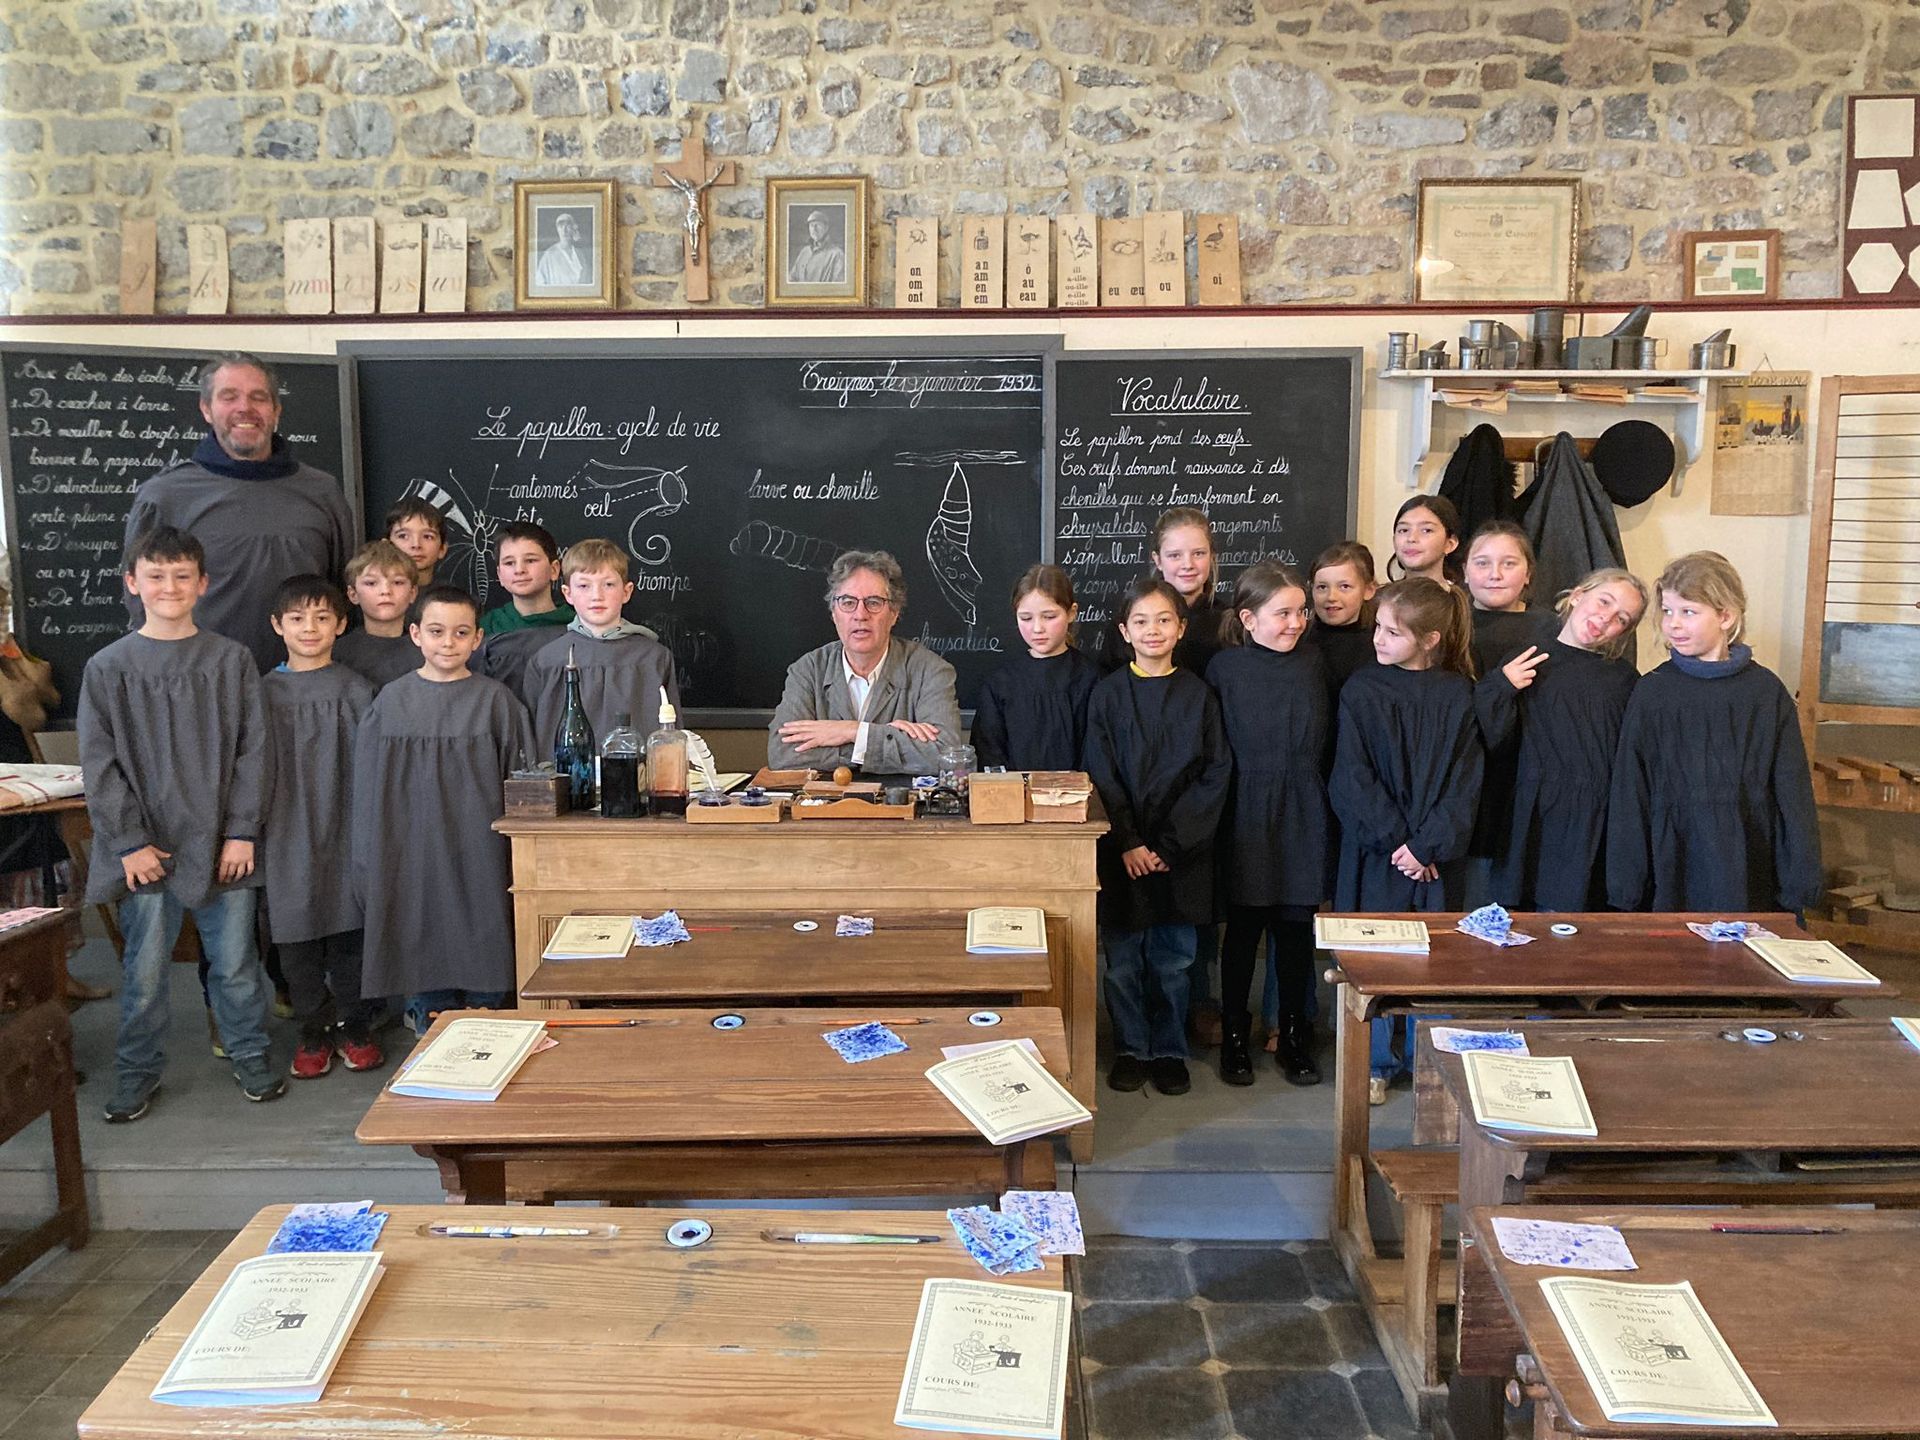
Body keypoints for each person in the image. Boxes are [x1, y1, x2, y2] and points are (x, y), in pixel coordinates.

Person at [79, 526, 283, 1122]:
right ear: (132, 583)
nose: (169, 587)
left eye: (181, 575)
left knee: (236, 965)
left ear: (203, 584)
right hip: (146, 851)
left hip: (222, 845)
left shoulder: (230, 661)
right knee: (144, 973)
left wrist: (242, 831)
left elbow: (254, 751)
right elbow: (99, 763)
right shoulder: (108, 668)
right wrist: (129, 842)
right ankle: (137, 1071)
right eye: (156, 576)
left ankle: (249, 1052)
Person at [354, 585, 535, 1034]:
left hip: (480, 843)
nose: (448, 643)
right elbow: (369, 790)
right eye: (436, 631)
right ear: (416, 634)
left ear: (477, 638)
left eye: (460, 632)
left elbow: (525, 784)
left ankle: (486, 1006)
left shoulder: (497, 702)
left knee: (484, 918)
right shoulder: (391, 703)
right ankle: (426, 1010)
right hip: (410, 844)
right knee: (419, 919)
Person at [1329, 576, 1482, 1105]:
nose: (1378, 639)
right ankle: (1375, 1062)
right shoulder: (1361, 690)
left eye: (1392, 632)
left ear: (1430, 639)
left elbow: (1466, 782)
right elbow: (1351, 776)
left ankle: (1429, 1061)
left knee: (1433, 959)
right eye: (1378, 628)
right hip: (1378, 853)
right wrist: (1401, 844)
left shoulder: (1458, 694)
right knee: (1376, 959)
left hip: (1433, 856)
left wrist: (1427, 845)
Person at [1607, 552, 1822, 914]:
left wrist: (1800, 881)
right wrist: (1626, 884)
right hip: (1671, 862)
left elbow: (1792, 790)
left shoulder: (1765, 692)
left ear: (1726, 616)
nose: (1673, 624)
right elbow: (1631, 791)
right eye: (1668, 611)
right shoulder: (1653, 691)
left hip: (1748, 859)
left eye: (1688, 612)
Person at [1083, 578, 1231, 1099]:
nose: (1153, 630)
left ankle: (1169, 1049)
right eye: (1141, 621)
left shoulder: (1199, 695)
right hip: (1122, 853)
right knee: (1122, 963)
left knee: (1175, 961)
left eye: (1164, 620)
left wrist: (1168, 846)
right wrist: (1128, 841)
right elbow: (1100, 773)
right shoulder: (1107, 695)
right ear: (1124, 631)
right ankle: (1132, 1047)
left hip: (1180, 857)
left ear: (1181, 628)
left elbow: (1214, 774)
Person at [124, 353, 355, 673]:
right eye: (229, 396)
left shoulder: (322, 492)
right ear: (206, 409)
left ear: (276, 410)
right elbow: (142, 602)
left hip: (304, 684)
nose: (245, 407)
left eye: (258, 397)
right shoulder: (166, 496)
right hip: (202, 681)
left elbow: (345, 590)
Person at [1206, 563, 1332, 1087]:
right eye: (1283, 613)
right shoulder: (1224, 669)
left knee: (1296, 932)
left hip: (1303, 807)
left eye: (1301, 612)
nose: (1296, 623)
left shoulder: (1314, 662)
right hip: (1245, 811)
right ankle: (1235, 1037)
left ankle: (1294, 1036)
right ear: (1248, 618)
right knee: (1243, 933)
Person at [260, 574, 382, 1079]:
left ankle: (355, 1027)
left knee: (351, 934)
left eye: (322, 617)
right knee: (296, 938)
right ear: (277, 625)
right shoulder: (262, 693)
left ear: (341, 624)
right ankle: (312, 1031)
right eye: (297, 618)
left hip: (348, 825)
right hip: (285, 830)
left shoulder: (357, 690)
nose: (309, 628)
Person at [1480, 568, 1646, 911]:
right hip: (1529, 815)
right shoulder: (1527, 658)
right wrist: (1501, 687)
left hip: (1589, 822)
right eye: (1604, 602)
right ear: (1578, 595)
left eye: (1621, 618)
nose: (1605, 619)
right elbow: (1492, 741)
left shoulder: (1626, 682)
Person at [767, 549, 961, 774]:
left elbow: (946, 754)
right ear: (834, 613)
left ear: (894, 613)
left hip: (898, 798)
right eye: (848, 602)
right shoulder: (808, 670)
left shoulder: (931, 671)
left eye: (874, 602)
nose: (860, 615)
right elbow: (782, 754)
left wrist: (853, 732)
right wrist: (885, 740)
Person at [1461, 522, 1554, 905]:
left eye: (1509, 563)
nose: (1495, 574)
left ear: (1528, 573)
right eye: (1482, 562)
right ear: (1465, 571)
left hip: (1528, 780)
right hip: (1467, 782)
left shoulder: (1552, 629)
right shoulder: (1450, 623)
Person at [525, 538, 679, 749]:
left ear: (626, 592)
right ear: (568, 594)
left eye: (608, 585)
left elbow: (672, 736)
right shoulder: (547, 660)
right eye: (584, 586)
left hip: (639, 769)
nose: (596, 596)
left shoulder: (654, 658)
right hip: (567, 770)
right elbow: (531, 739)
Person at [971, 565, 1100, 771]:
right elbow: (989, 757)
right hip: (1013, 791)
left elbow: (1098, 756)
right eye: (1026, 618)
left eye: (1049, 617)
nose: (1037, 628)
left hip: (1075, 791)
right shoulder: (1000, 684)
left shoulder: (1093, 680)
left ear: (1071, 613)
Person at [475, 523, 576, 705]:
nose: (519, 570)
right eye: (509, 563)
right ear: (499, 575)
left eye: (530, 560)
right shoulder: (485, 627)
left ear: (554, 570)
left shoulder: (578, 625)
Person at [335, 540, 422, 692]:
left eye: (397, 582)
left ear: (413, 593)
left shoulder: (430, 650)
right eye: (371, 583)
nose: (385, 591)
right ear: (353, 594)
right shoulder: (337, 653)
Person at [1309, 541, 1380, 703]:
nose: (1331, 597)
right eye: (1322, 587)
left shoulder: (1380, 645)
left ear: (1368, 590)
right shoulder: (1299, 642)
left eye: (1344, 587)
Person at [1388, 493, 1464, 585]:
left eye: (1426, 530)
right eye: (1404, 530)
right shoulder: (1381, 594)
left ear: (1450, 544)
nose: (1411, 538)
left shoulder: (1465, 594)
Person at [385, 498, 448, 587]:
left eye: (427, 536)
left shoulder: (453, 595)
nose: (416, 544)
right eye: (403, 536)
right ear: (386, 545)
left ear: (442, 549)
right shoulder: (371, 594)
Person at [534, 211, 590, 288]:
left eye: (567, 226)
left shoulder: (580, 254)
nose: (564, 230)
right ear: (557, 230)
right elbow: (540, 282)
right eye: (561, 226)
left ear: (573, 229)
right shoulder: (549, 255)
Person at [790, 209, 847, 284]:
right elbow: (792, 278)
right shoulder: (804, 252)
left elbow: (839, 287)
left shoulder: (837, 255)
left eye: (818, 225)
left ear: (826, 228)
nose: (814, 229)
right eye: (811, 225)